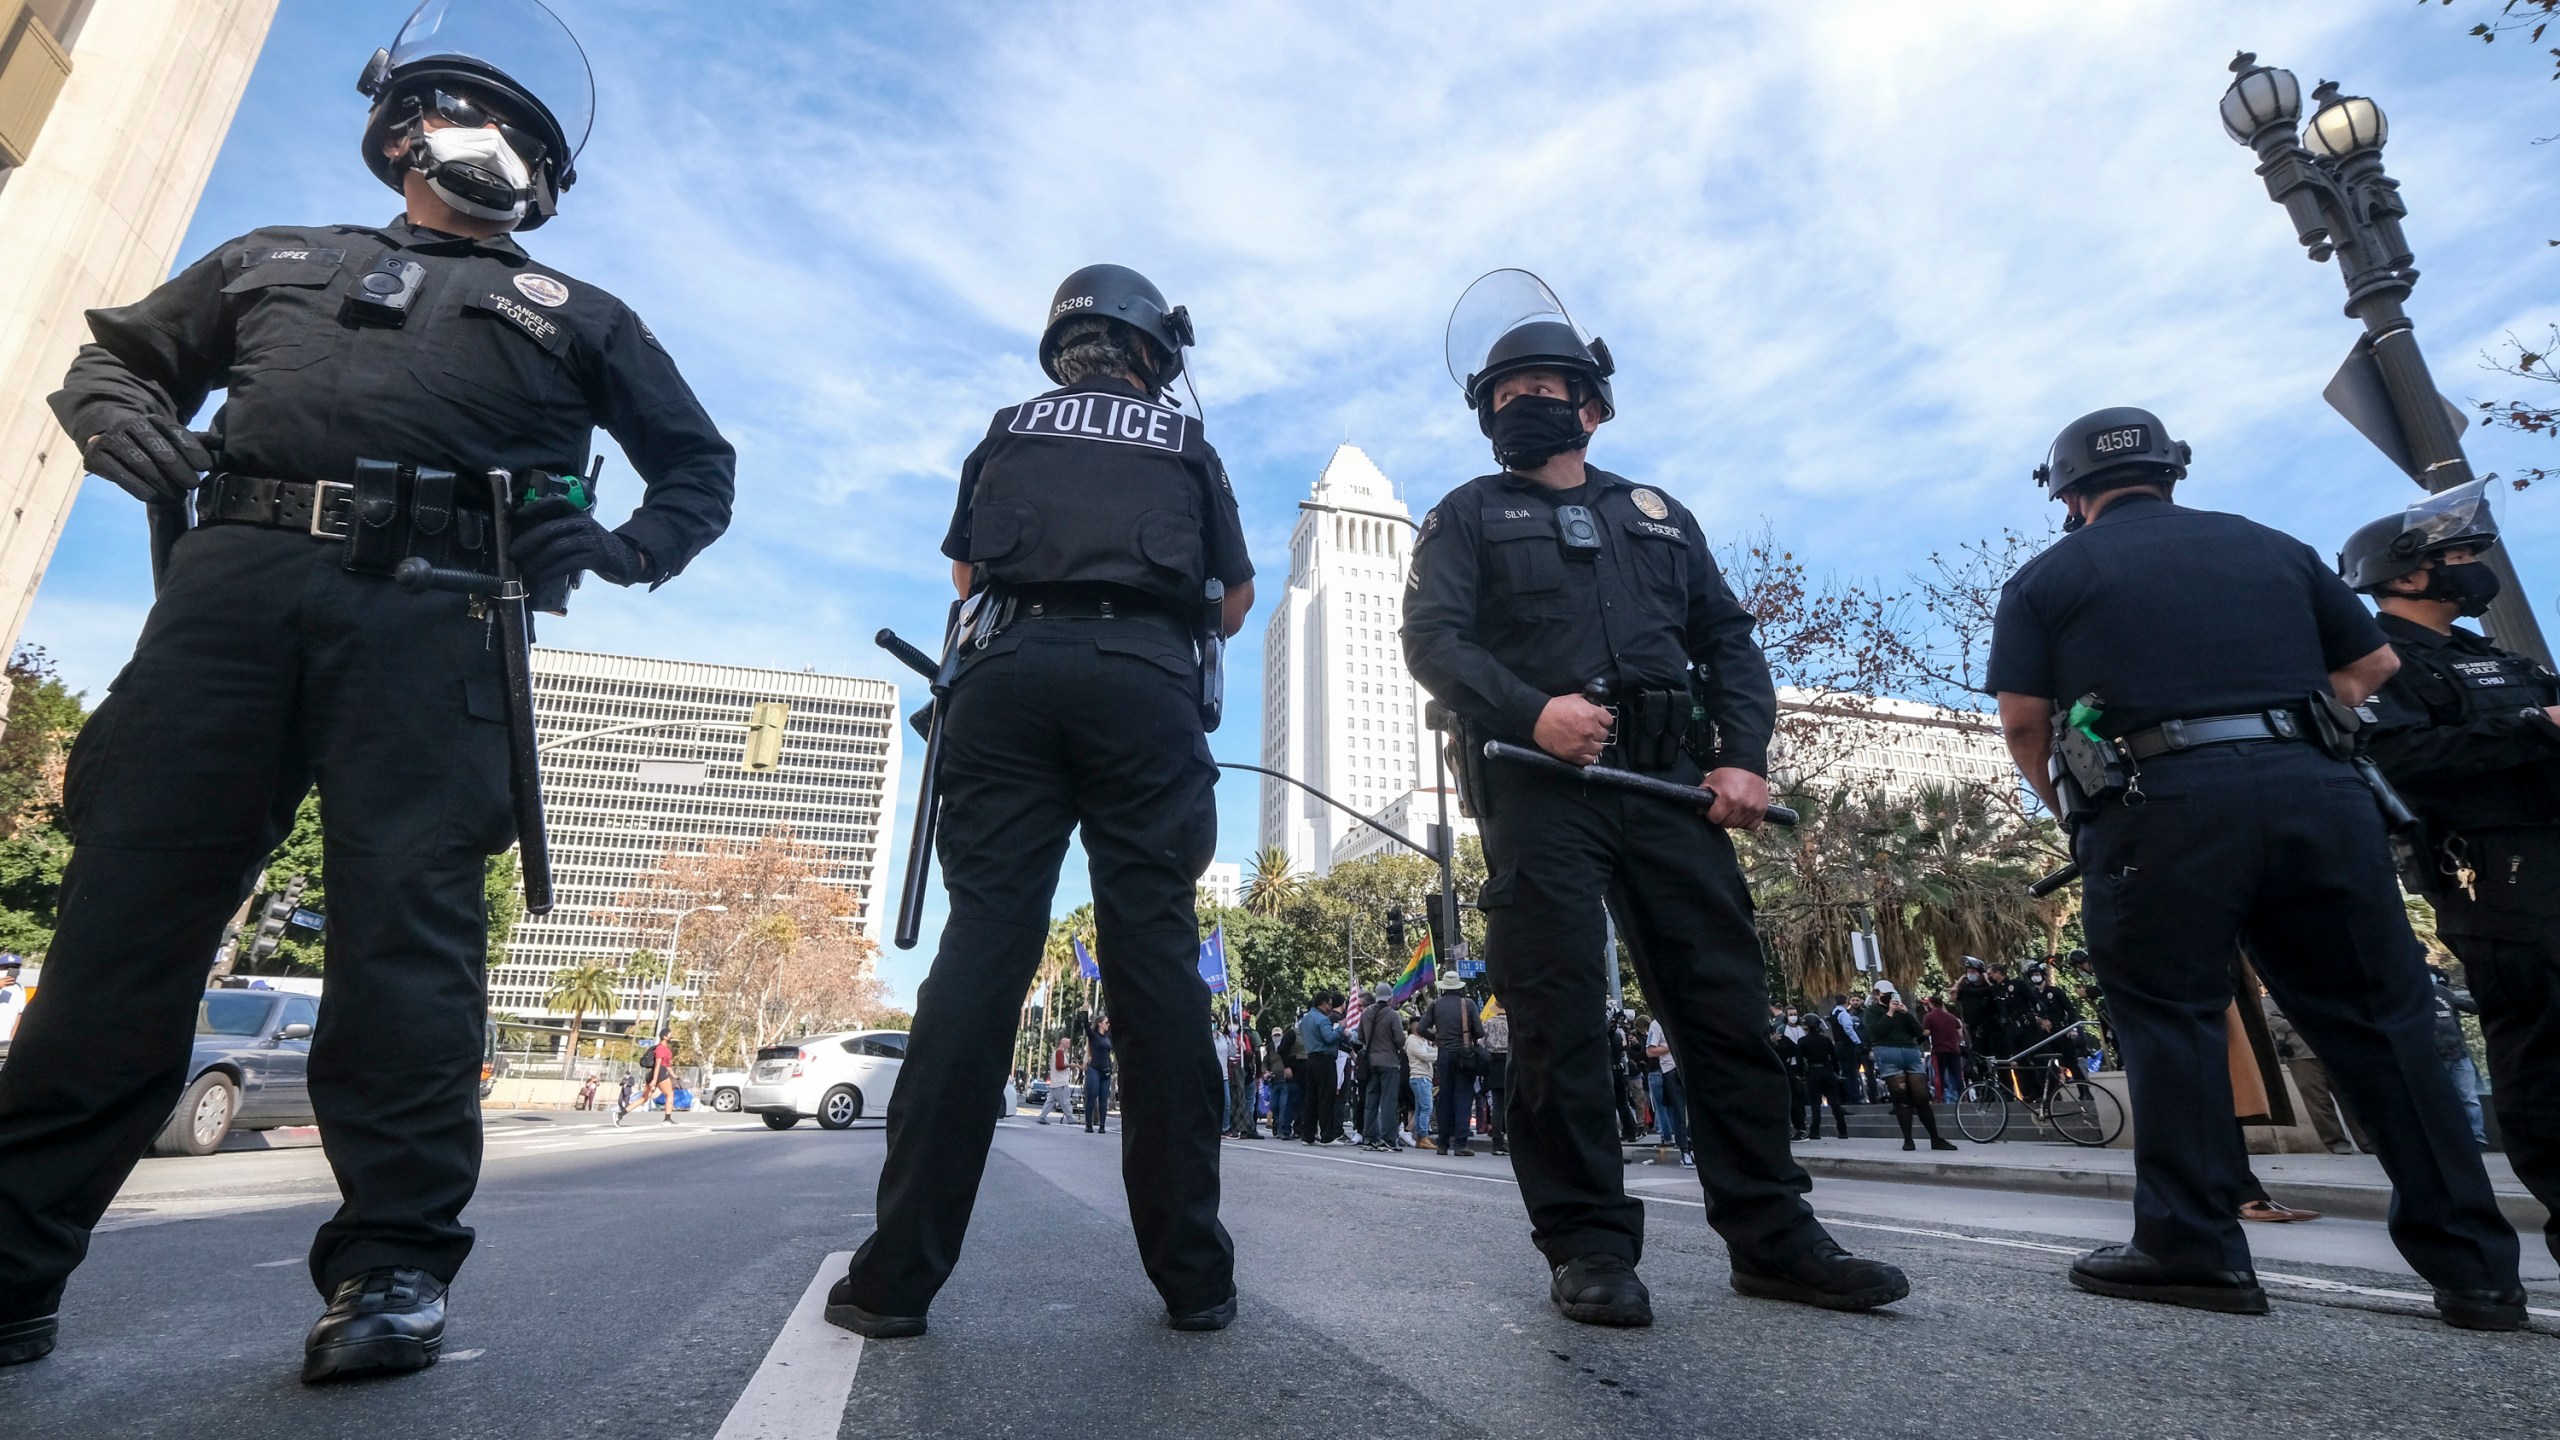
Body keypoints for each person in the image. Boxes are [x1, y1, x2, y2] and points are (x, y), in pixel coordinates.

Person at [0, 1, 737, 1381]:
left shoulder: (578, 314)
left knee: (408, 944)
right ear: (404, 131)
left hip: (437, 618)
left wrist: (630, 550)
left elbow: (700, 469)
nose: (499, 145)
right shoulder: (271, 257)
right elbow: (122, 357)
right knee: (122, 929)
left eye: (525, 134)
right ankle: (13, 1264)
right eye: (478, 117)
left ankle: (394, 1271)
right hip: (229, 603)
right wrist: (116, 414)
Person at [1403, 270, 1907, 1326]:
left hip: (1673, 786)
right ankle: (1587, 1244)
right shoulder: (1464, 514)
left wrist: (1743, 759)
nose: (1520, 403)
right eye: (1501, 393)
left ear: (1591, 404)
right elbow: (1434, 642)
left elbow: (1727, 641)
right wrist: (1532, 711)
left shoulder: (1659, 516)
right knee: (1557, 1020)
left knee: (1722, 1010)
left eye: (1542, 385)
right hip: (1543, 786)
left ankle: (1773, 1236)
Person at [1987, 404, 2522, 1330]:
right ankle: (2478, 1272)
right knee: (2383, 1025)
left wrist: (2079, 810)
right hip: (2320, 794)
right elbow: (2373, 665)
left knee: (2173, 1019)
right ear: (2172, 471)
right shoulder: (2270, 546)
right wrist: (2297, 734)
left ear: (2070, 494)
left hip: (2162, 805)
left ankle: (2194, 1248)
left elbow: (2026, 723)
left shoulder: (2049, 574)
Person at [831, 262, 1253, 1343]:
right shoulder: (1185, 445)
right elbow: (1234, 602)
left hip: (1008, 683)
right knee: (1155, 961)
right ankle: (1194, 1280)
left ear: (1062, 349)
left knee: (981, 955)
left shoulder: (1010, 426)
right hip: (1145, 689)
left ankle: (894, 1283)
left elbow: (968, 577)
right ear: (1157, 353)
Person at [2342, 481, 2560, 1263]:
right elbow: (2398, 763)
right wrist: (2534, 729)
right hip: (2495, 879)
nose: (2472, 569)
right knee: (2543, 1055)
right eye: (2455, 557)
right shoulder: (2380, 663)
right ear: (2401, 575)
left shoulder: (2493, 656)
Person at [2261, 997, 2368, 1155]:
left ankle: (2367, 1142)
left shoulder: (2316, 993)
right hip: (2301, 1057)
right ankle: (2336, 1143)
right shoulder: (2272, 999)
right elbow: (2269, 1019)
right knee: (2318, 1103)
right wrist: (2303, 1023)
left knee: (2351, 1100)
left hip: (2335, 1052)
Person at [1861, 986, 1955, 1153]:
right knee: (1901, 1099)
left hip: (1909, 1051)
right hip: (1888, 1052)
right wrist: (1889, 1013)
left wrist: (1906, 1013)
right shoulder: (1872, 1011)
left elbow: (1919, 1032)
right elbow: (1877, 1031)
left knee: (1922, 1097)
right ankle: (1908, 1139)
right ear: (1877, 995)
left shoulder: (1902, 1011)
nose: (1890, 997)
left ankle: (1935, 1138)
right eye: (1886, 994)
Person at [1421, 973, 1485, 1158]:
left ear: (1443, 987)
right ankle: (1460, 1143)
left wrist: (1437, 1039)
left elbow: (1421, 1028)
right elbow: (1479, 1032)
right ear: (1459, 988)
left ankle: (1442, 1143)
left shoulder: (1435, 1005)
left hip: (1444, 1055)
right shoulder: (1468, 1004)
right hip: (1464, 1056)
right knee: (1463, 1098)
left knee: (1445, 1098)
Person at [2427, 967, 2488, 1149]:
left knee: (2469, 1098)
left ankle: (2478, 1138)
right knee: (2442, 1100)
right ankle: (2449, 1139)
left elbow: (2470, 1006)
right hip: (2435, 1057)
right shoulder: (2413, 999)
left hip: (2458, 1054)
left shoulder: (2443, 992)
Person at [1357, 983, 1405, 1152]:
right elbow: (1400, 1040)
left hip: (1371, 1062)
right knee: (1388, 1101)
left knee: (1371, 1100)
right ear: (1390, 998)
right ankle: (1389, 1139)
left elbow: (1360, 1036)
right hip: (1389, 1062)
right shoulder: (1393, 1015)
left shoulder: (1366, 1013)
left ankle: (1369, 1137)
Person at [1296, 995, 1345, 1146]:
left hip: (1311, 1059)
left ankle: (1308, 1134)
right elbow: (1329, 1037)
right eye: (1329, 1005)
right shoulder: (1323, 1019)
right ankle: (1327, 1135)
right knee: (1326, 1097)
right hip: (1324, 1059)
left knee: (1311, 1098)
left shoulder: (1305, 1019)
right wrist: (1341, 1028)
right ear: (1322, 1004)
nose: (1330, 1008)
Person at [1642, 1016, 1691, 1167]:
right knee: (1679, 1110)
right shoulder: (1657, 1025)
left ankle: (1691, 1143)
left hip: (1686, 1066)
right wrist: (1672, 1046)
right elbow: (1650, 1051)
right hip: (1671, 1069)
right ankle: (1684, 1149)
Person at [621, 1035, 678, 1126]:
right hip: (660, 1073)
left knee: (644, 1098)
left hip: (654, 1074)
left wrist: (675, 1076)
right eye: (670, 1035)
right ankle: (667, 1119)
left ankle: (620, 1114)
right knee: (670, 1094)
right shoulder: (660, 1048)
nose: (671, 1037)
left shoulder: (664, 1049)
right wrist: (654, 1080)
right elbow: (658, 1065)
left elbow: (668, 1066)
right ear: (665, 1037)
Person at [1920, 995, 1966, 1104]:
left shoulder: (1929, 1016)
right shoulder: (1952, 1017)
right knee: (1957, 1074)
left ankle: (1939, 1097)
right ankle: (1962, 1096)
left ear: (1931, 1004)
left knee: (1939, 1074)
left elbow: (1926, 1032)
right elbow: (1960, 1034)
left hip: (1939, 1049)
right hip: (1954, 1049)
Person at [1482, 997, 1512, 1156]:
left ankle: (1497, 1142)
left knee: (1497, 1106)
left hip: (1493, 1063)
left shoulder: (1488, 1023)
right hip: (1509, 1062)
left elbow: (1480, 1042)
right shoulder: (1513, 1024)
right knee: (1510, 1103)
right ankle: (1510, 1139)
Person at [1402, 1018, 1437, 1151]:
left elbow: (1430, 1051)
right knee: (1427, 1107)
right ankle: (1423, 1136)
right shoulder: (1412, 1041)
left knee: (1420, 1108)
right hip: (1420, 1077)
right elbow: (1425, 1056)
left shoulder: (1421, 1041)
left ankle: (1418, 1137)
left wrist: (1441, 1050)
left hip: (1424, 1077)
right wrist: (1442, 1055)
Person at [1081, 1015, 1115, 1135]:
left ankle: (1102, 1126)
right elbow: (1086, 1026)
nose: (1108, 1024)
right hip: (1094, 1069)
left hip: (1105, 1070)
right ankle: (1088, 1124)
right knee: (1092, 1096)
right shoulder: (1093, 1036)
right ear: (1100, 1023)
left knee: (1103, 1099)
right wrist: (1084, 1011)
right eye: (1106, 1022)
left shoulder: (1108, 1037)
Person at [1268, 1023, 1300, 1141]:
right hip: (1274, 1081)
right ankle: (1276, 1123)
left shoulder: (1288, 1046)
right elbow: (1266, 1062)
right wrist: (1265, 1071)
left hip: (1285, 1081)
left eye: (1278, 1035)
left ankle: (1283, 1129)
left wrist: (1288, 1068)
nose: (1276, 1037)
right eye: (1274, 1035)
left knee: (1284, 1105)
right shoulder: (1270, 1048)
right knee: (1274, 1105)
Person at [1038, 1035, 1076, 1126]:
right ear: (1062, 1044)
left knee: (1050, 1102)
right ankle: (1070, 1119)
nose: (1069, 1045)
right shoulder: (1060, 1052)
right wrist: (1070, 1065)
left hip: (1055, 1082)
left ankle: (1042, 1117)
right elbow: (1059, 1066)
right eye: (1067, 1043)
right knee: (1065, 1102)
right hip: (1061, 1083)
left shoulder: (1056, 1052)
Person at [0, 960, 25, 1045]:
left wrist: (13, 1038)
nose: (10, 970)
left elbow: (19, 1014)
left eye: (15, 967)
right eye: (5, 968)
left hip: (6, 1042)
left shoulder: (19, 988)